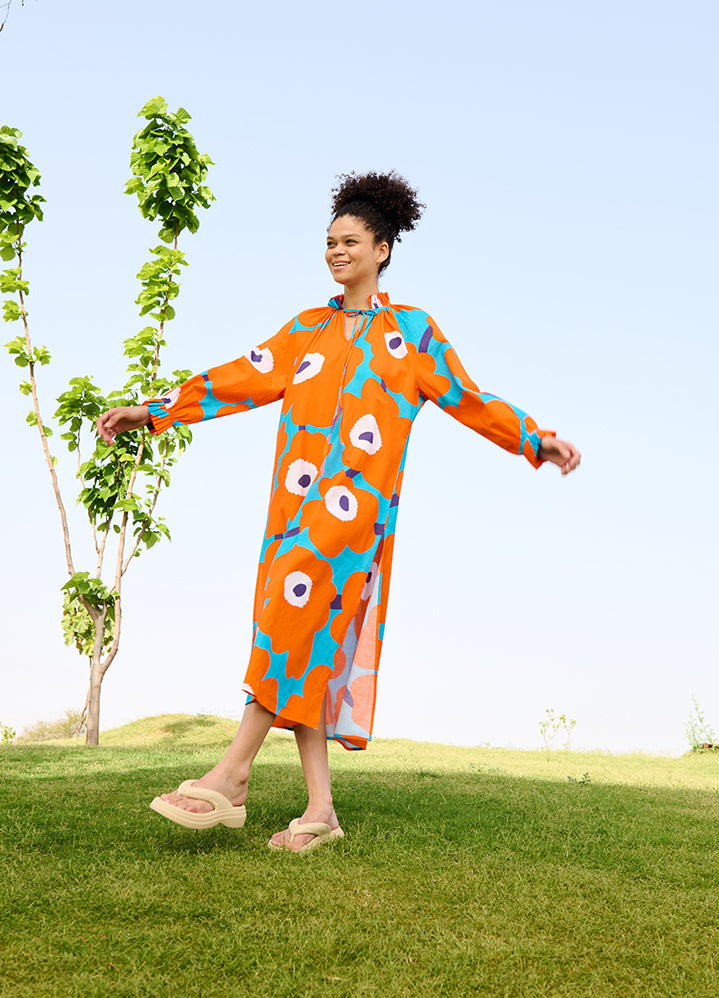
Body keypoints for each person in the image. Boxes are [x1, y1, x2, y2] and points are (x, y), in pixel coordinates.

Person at [97, 171, 581, 852]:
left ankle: (231, 774)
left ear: (382, 249)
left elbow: (470, 399)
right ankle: (319, 809)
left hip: (352, 519)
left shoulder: (412, 333)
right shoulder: (306, 329)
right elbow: (239, 376)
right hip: (290, 512)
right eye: (329, 241)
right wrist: (153, 411)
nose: (336, 250)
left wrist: (535, 440)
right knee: (297, 643)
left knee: (290, 626)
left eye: (350, 240)